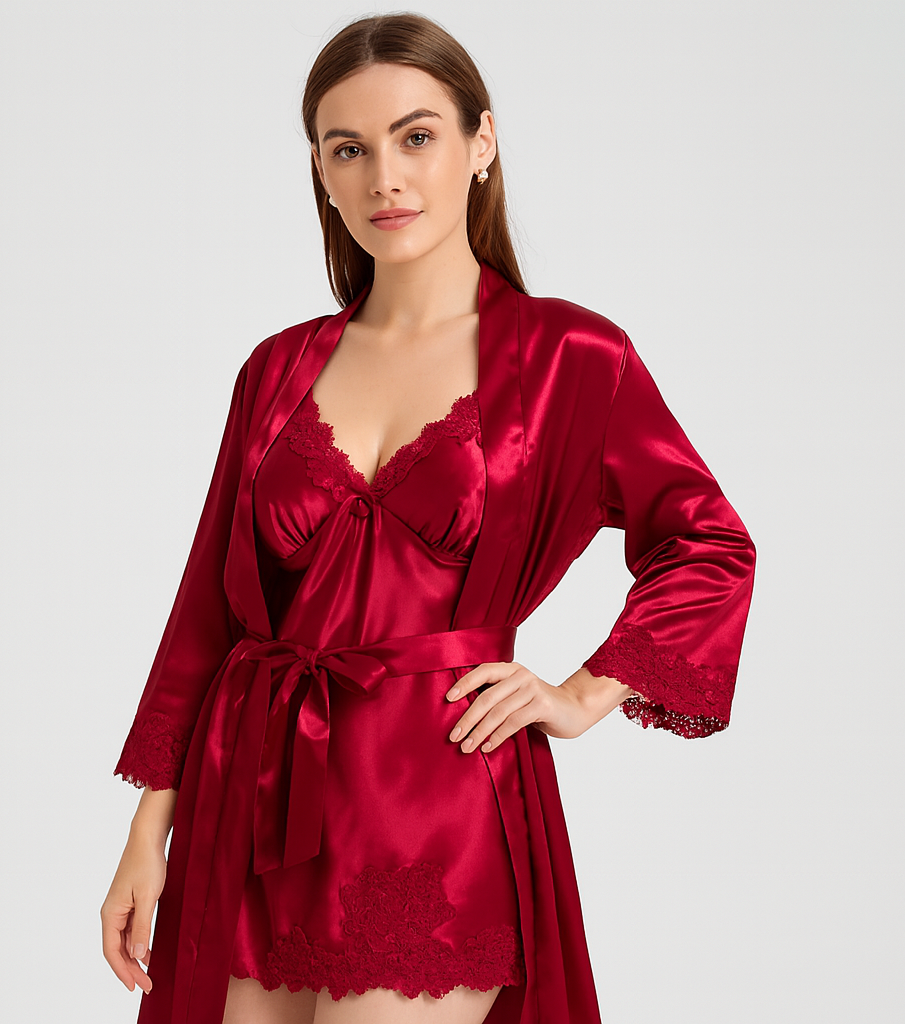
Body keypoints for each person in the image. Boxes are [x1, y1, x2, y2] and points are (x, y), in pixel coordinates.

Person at [101, 13, 756, 1024]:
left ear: (480, 142)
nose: (384, 178)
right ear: (320, 171)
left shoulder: (571, 357)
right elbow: (210, 612)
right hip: (253, 807)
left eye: (416, 137)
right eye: (348, 149)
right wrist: (149, 832)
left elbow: (706, 540)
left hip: (439, 801)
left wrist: (581, 694)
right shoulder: (276, 369)